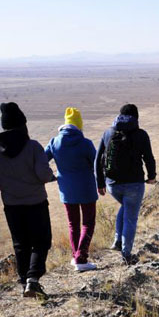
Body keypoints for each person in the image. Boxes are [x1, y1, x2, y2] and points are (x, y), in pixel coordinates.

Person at [0, 102, 55, 299]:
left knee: (21, 244)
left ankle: (25, 282)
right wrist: (51, 176)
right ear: (23, 124)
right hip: (36, 203)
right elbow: (43, 174)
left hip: (12, 207)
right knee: (42, 241)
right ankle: (32, 279)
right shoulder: (33, 147)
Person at [95, 104, 156, 264]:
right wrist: (151, 177)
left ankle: (117, 240)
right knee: (130, 217)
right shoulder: (141, 134)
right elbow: (148, 158)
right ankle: (126, 254)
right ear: (136, 118)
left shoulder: (108, 132)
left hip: (112, 185)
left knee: (126, 206)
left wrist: (100, 183)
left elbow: (97, 159)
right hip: (134, 184)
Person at [45, 107, 99, 272]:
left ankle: (76, 256)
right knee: (88, 223)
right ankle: (81, 258)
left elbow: (41, 161)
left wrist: (52, 176)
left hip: (67, 190)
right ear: (78, 125)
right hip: (87, 189)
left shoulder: (54, 142)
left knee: (73, 224)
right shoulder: (85, 143)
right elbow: (97, 164)